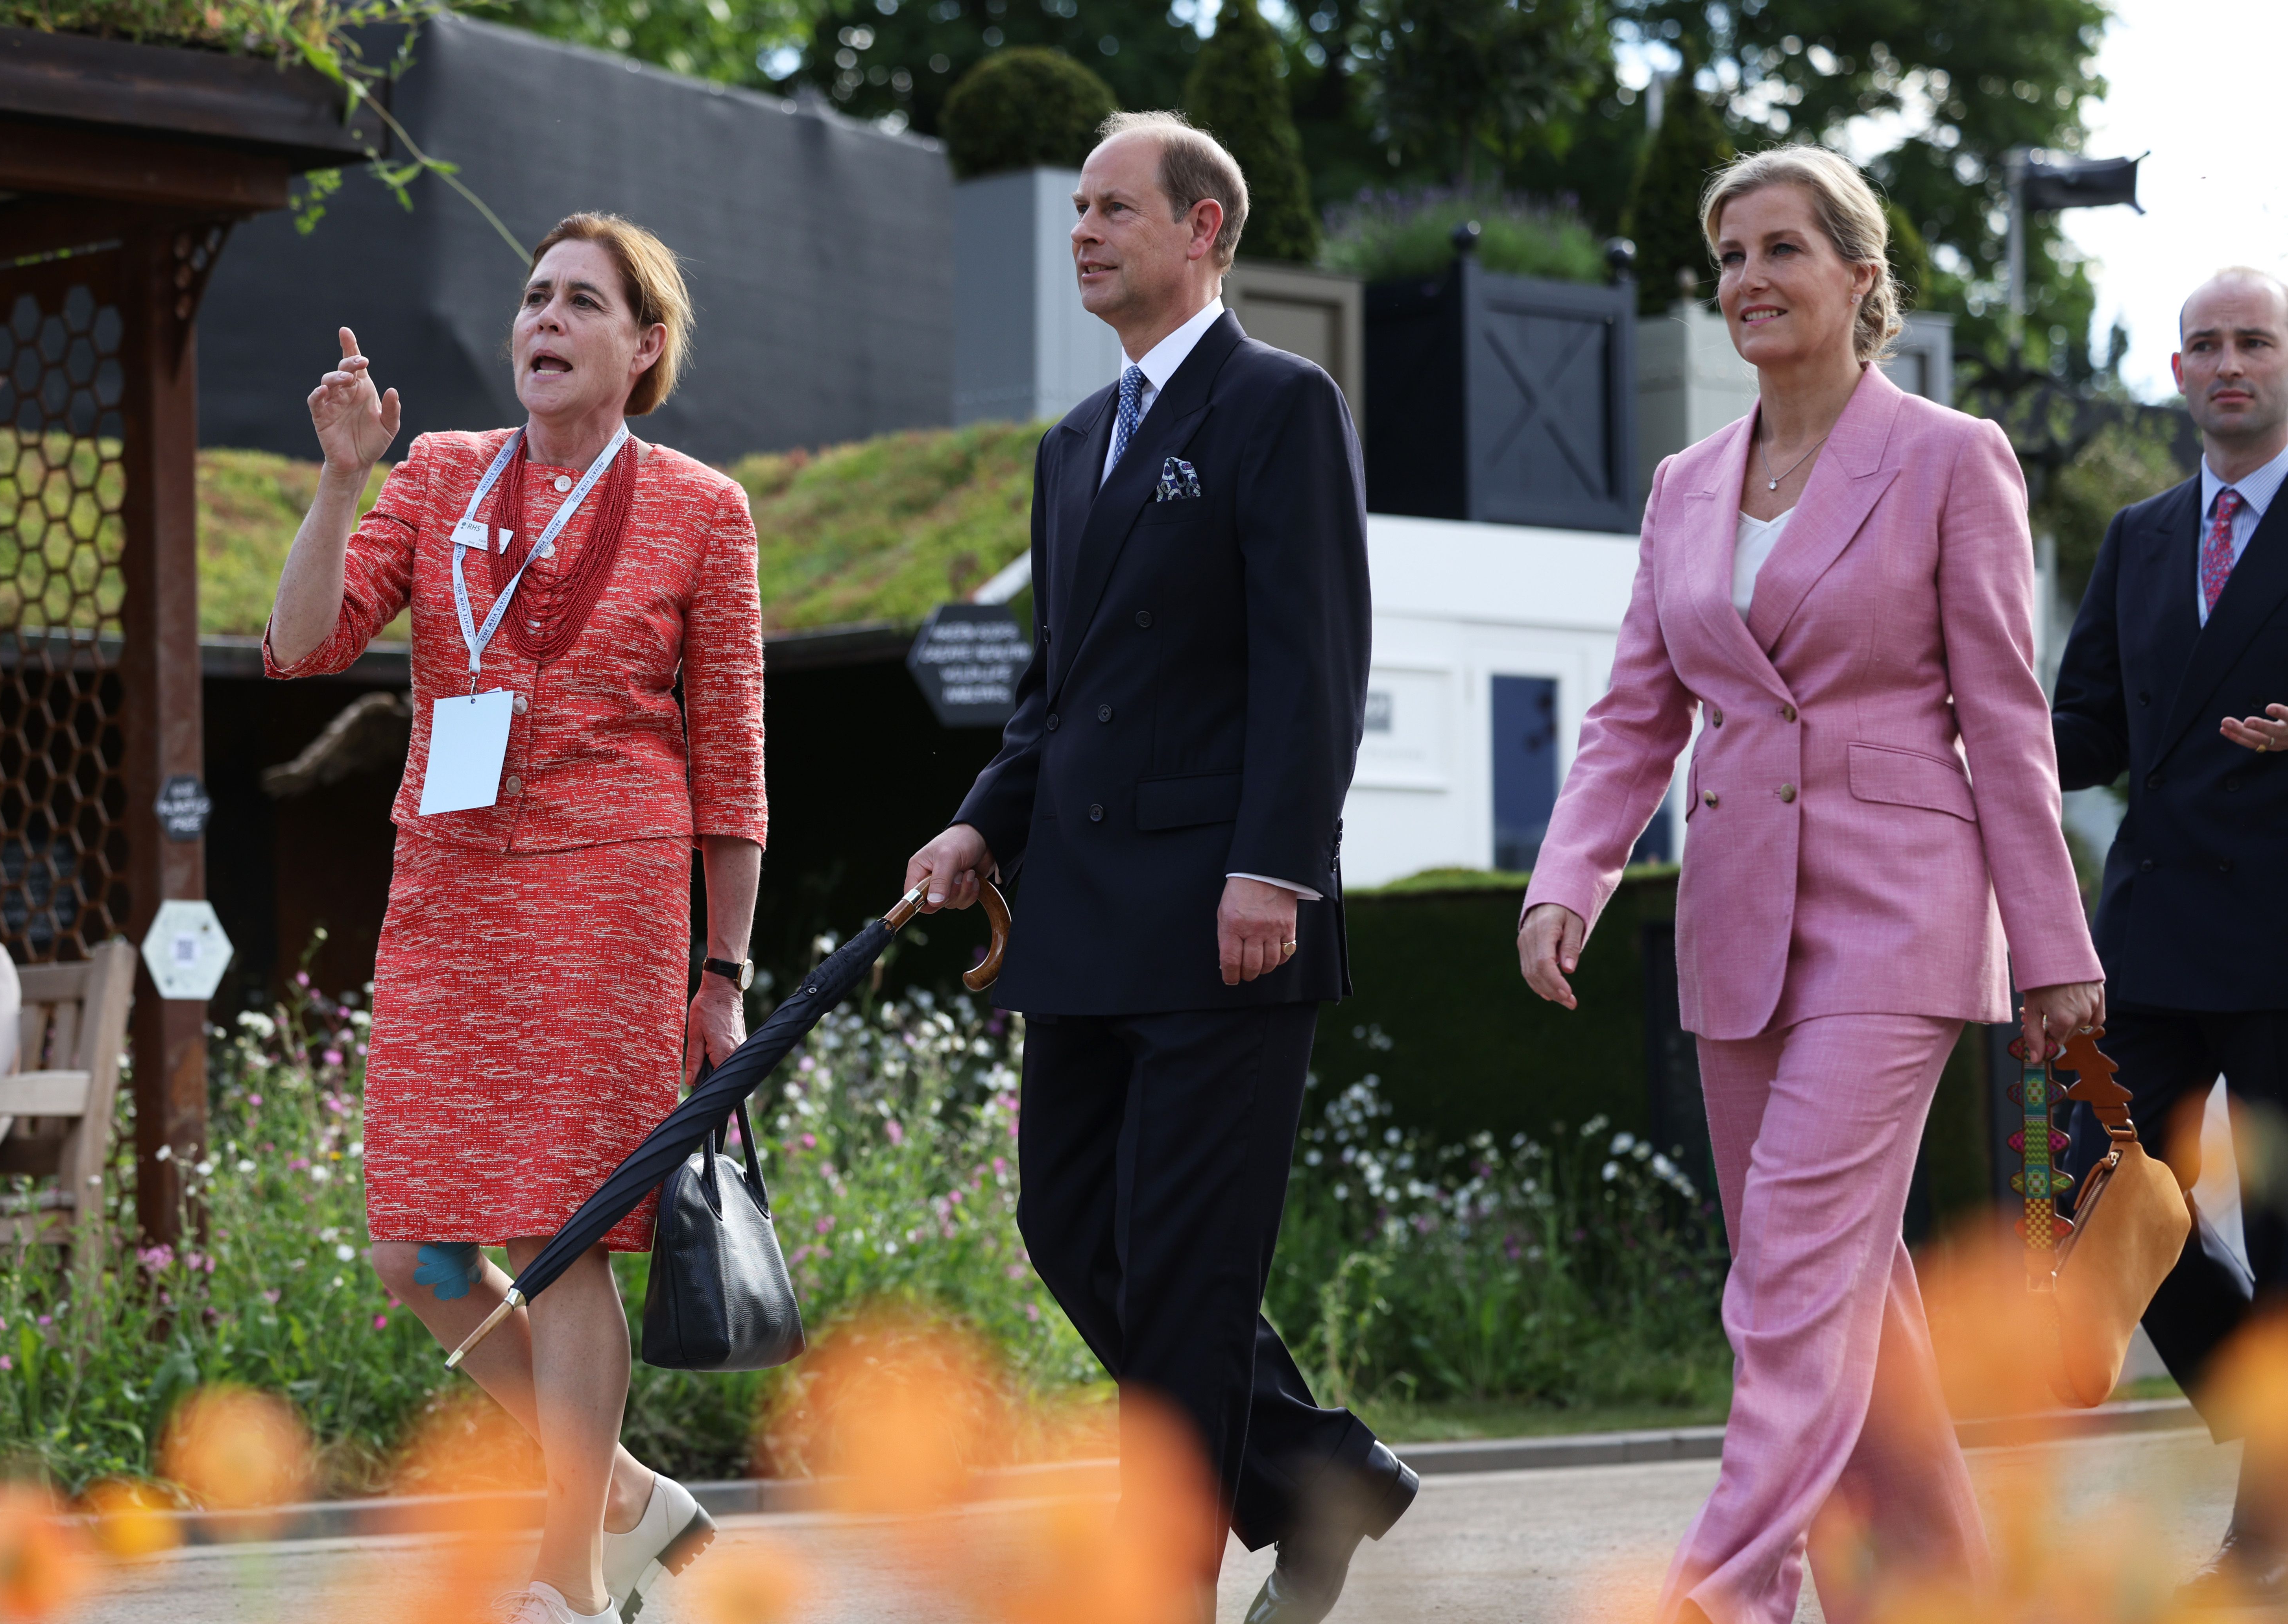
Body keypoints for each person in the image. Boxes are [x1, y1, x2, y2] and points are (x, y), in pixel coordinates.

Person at [1514, 144, 2103, 1624]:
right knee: (1843, 1289)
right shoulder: (1680, 483)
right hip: (1731, 918)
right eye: (1725, 255)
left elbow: (2003, 713)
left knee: (1784, 1261)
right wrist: (1566, 873)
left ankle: (1725, 1585)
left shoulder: (1947, 452)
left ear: (1858, 274)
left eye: (1780, 247)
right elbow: (1632, 713)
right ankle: (1933, 1588)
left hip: (1897, 907)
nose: (1746, 279)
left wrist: (2049, 943)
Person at [901, 111, 1417, 1624]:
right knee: (1068, 1226)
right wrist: (978, 821)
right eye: (1074, 209)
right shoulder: (1071, 445)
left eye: (1113, 208)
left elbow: (1312, 661)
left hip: (1222, 921)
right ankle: (1314, 1467)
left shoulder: (1278, 403)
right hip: (1078, 917)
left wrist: (1276, 866)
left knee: (1185, 1274)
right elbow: (1050, 694)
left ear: (1202, 230)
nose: (1080, 231)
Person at [264, 213, 763, 1624]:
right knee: (413, 1249)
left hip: (610, 891)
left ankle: (567, 1572)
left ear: (641, 346)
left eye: (580, 302)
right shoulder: (430, 474)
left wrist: (717, 966)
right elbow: (301, 644)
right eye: (532, 296)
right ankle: (617, 1492)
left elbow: (730, 761)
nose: (541, 318)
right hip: (450, 884)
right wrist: (338, 480)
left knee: (565, 1231)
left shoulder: (698, 507)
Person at [2050, 265, 2288, 1603]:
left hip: (2279, 940)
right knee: (2096, 1186)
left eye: (2249, 340)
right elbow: (2085, 721)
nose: (2224, 362)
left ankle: (2259, 1536)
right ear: (2178, 372)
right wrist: (1967, 736)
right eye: (2200, 343)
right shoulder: (2140, 535)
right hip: (2146, 932)